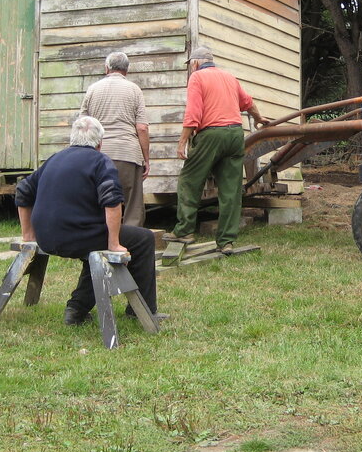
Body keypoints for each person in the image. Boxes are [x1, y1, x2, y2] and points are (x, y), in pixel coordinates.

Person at [15, 116, 160, 326]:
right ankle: (143, 310)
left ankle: (76, 310)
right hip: (78, 237)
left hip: (47, 238)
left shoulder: (54, 159)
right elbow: (112, 202)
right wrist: (114, 244)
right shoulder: (101, 162)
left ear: (72, 139)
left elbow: (22, 191)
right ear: (100, 143)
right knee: (144, 239)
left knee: (93, 251)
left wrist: (28, 235)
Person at [164, 46, 269, 255]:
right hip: (235, 135)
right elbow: (247, 102)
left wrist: (182, 141)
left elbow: (193, 113)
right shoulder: (229, 77)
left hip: (211, 134)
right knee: (230, 190)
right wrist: (259, 119)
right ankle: (226, 241)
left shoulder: (197, 78)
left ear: (195, 63)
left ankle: (184, 231)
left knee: (189, 180)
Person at [79, 51, 150, 227]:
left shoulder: (93, 89)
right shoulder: (134, 90)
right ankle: (131, 241)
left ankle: (99, 237)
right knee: (133, 201)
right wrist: (146, 159)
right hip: (128, 153)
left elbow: (83, 123)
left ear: (106, 68)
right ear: (126, 70)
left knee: (97, 196)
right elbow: (142, 127)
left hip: (99, 154)